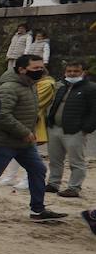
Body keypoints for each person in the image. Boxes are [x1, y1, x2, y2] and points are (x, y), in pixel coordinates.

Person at [0, 55, 68, 221]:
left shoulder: (30, 85)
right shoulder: (9, 88)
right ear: (22, 69)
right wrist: (24, 132)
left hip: (23, 142)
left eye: (42, 67)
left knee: (38, 169)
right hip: (4, 141)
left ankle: (37, 210)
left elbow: (28, 111)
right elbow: (1, 114)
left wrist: (31, 129)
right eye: (36, 68)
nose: (41, 71)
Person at [45, 59, 96, 197]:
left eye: (76, 71)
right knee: (55, 159)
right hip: (55, 128)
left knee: (76, 161)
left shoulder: (91, 88)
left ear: (83, 72)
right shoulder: (61, 86)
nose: (72, 74)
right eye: (69, 71)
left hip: (75, 131)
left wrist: (86, 129)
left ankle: (74, 187)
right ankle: (53, 183)